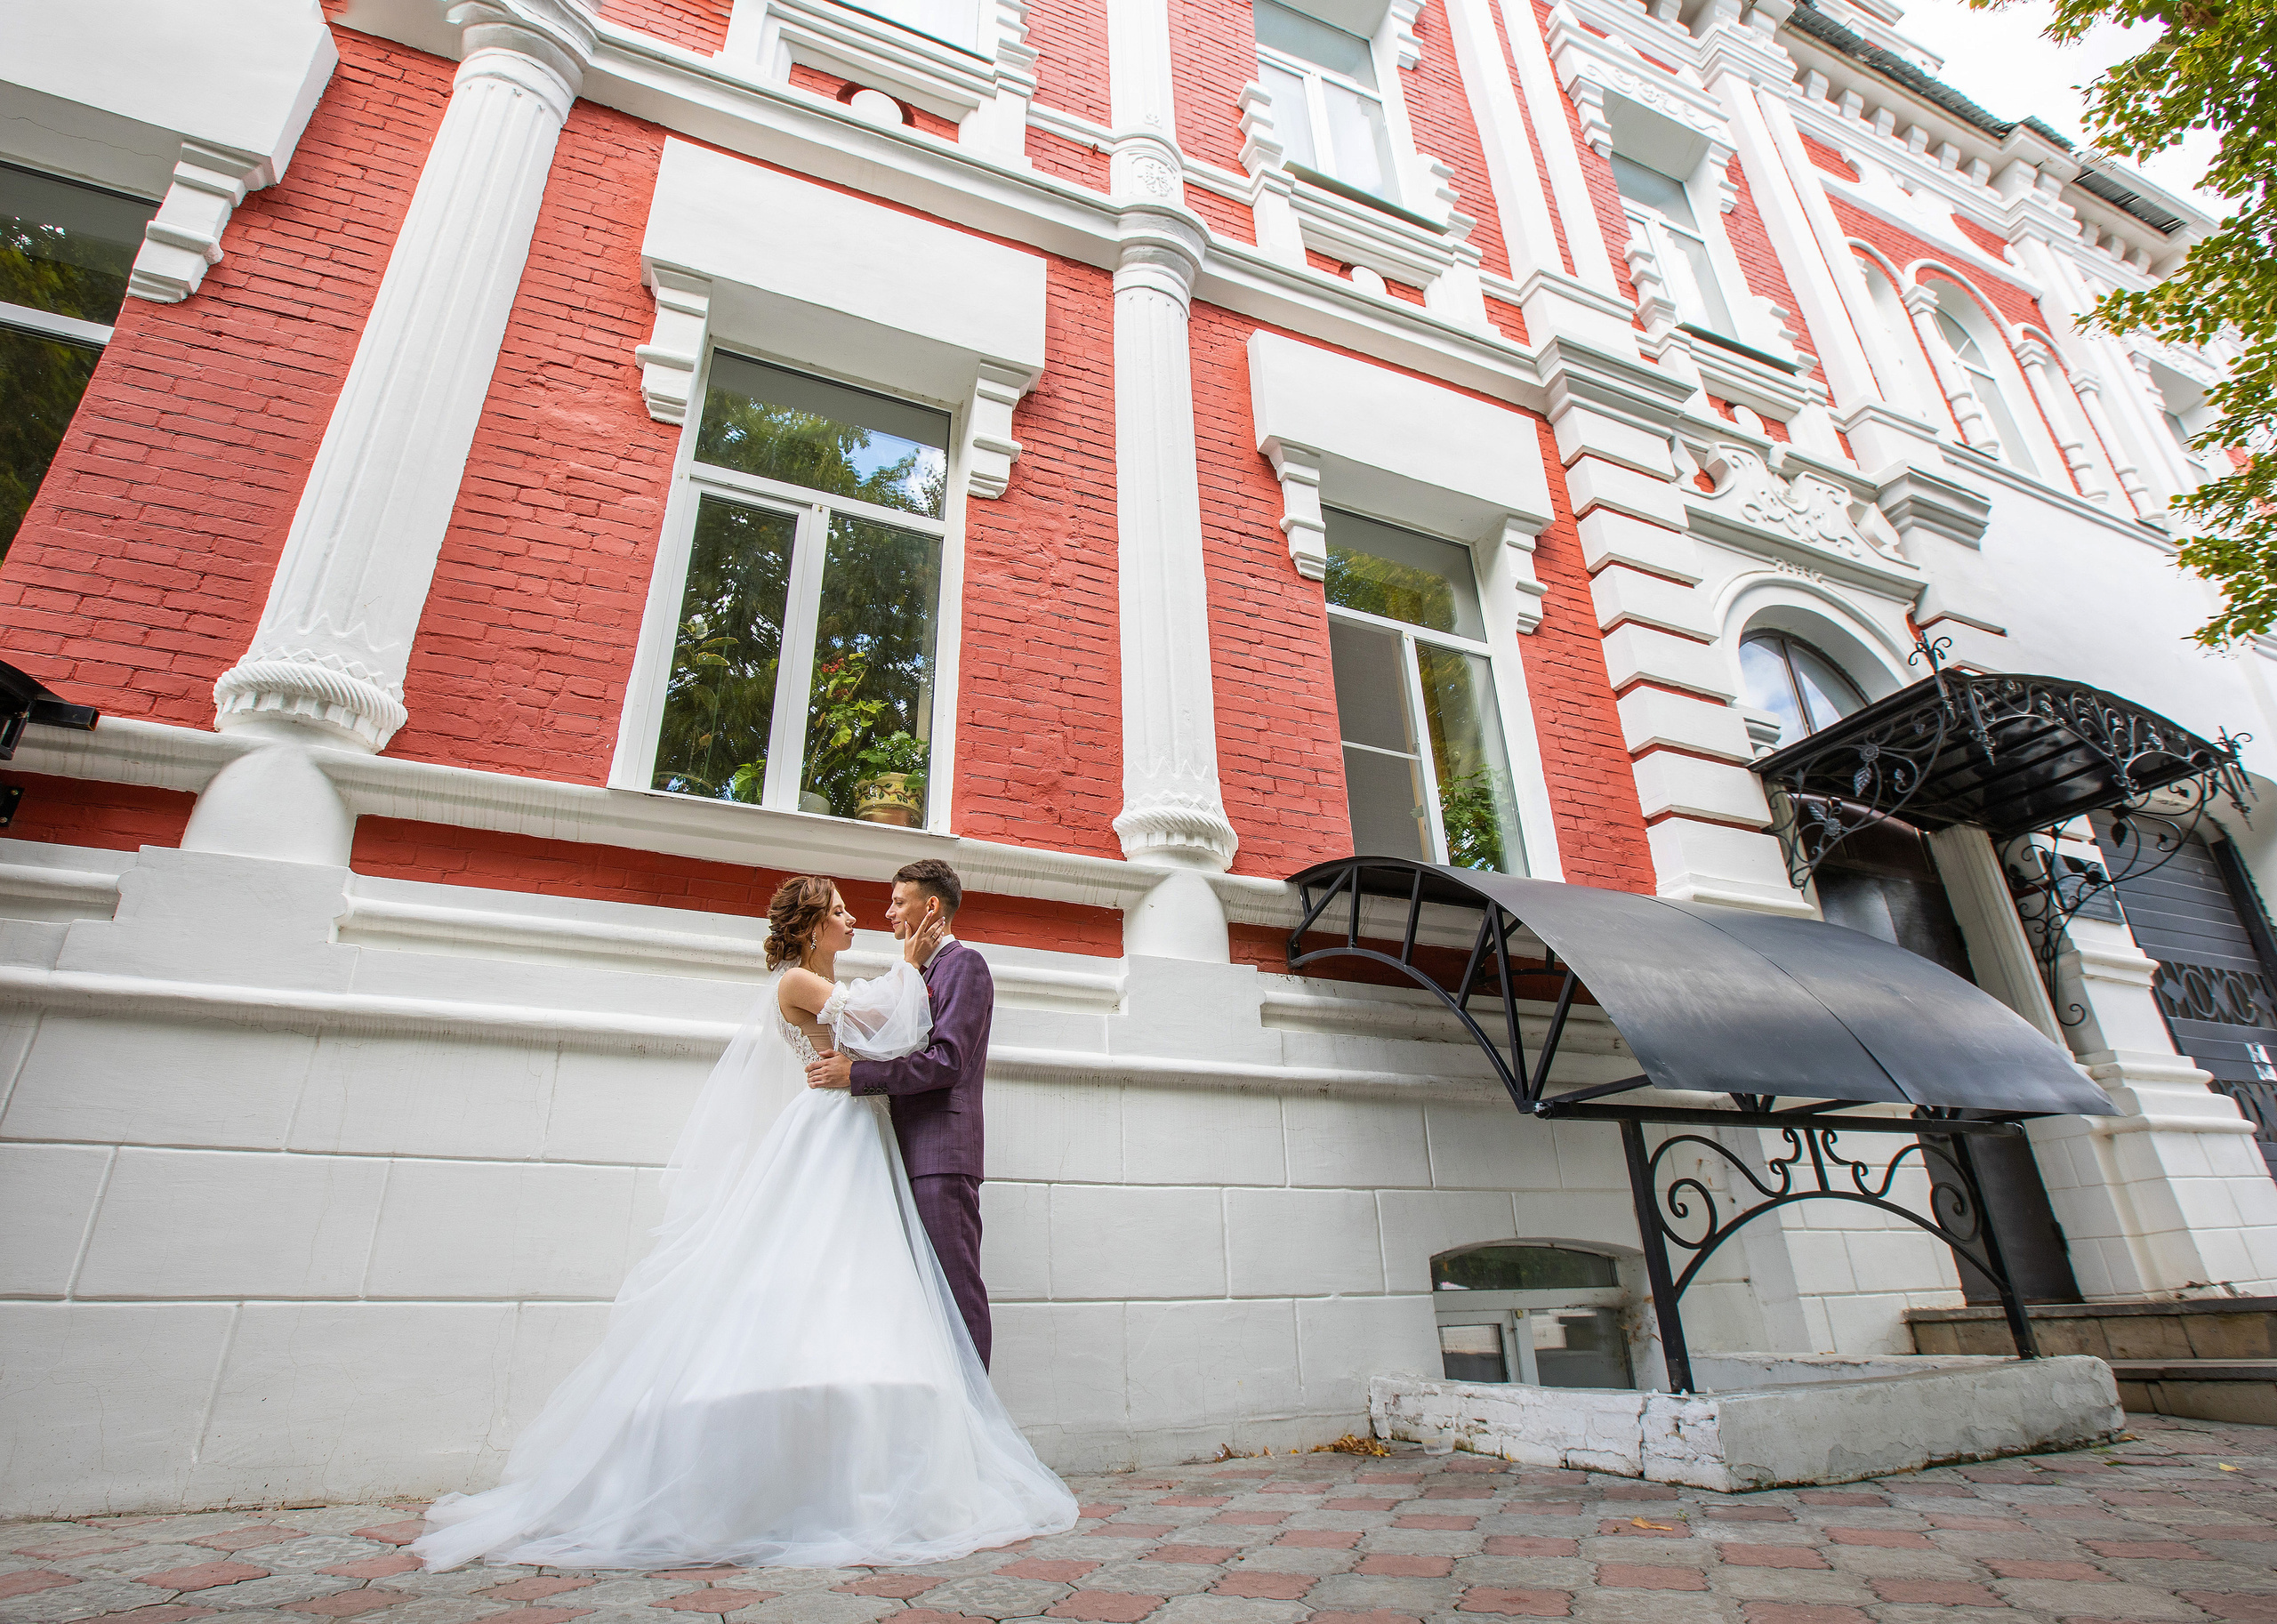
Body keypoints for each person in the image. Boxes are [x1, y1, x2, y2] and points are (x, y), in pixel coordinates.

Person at [408, 875, 1074, 1573]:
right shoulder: (797, 983)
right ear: (813, 928)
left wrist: (890, 1005)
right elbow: (886, 1022)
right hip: (836, 1130)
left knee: (904, 1288)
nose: (864, 918)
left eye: (881, 905)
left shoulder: (952, 965)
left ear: (929, 905)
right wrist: (906, 968)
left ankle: (954, 1443)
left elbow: (924, 1046)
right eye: (843, 912)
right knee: (824, 1273)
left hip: (875, 1132)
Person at [803, 858, 994, 1365]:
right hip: (895, 1150)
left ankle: (977, 1428)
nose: (886, 913)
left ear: (930, 906)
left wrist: (857, 1077)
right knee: (917, 1301)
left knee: (955, 1293)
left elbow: (947, 1061)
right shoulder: (914, 974)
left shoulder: (964, 966)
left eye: (897, 902)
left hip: (939, 1154)